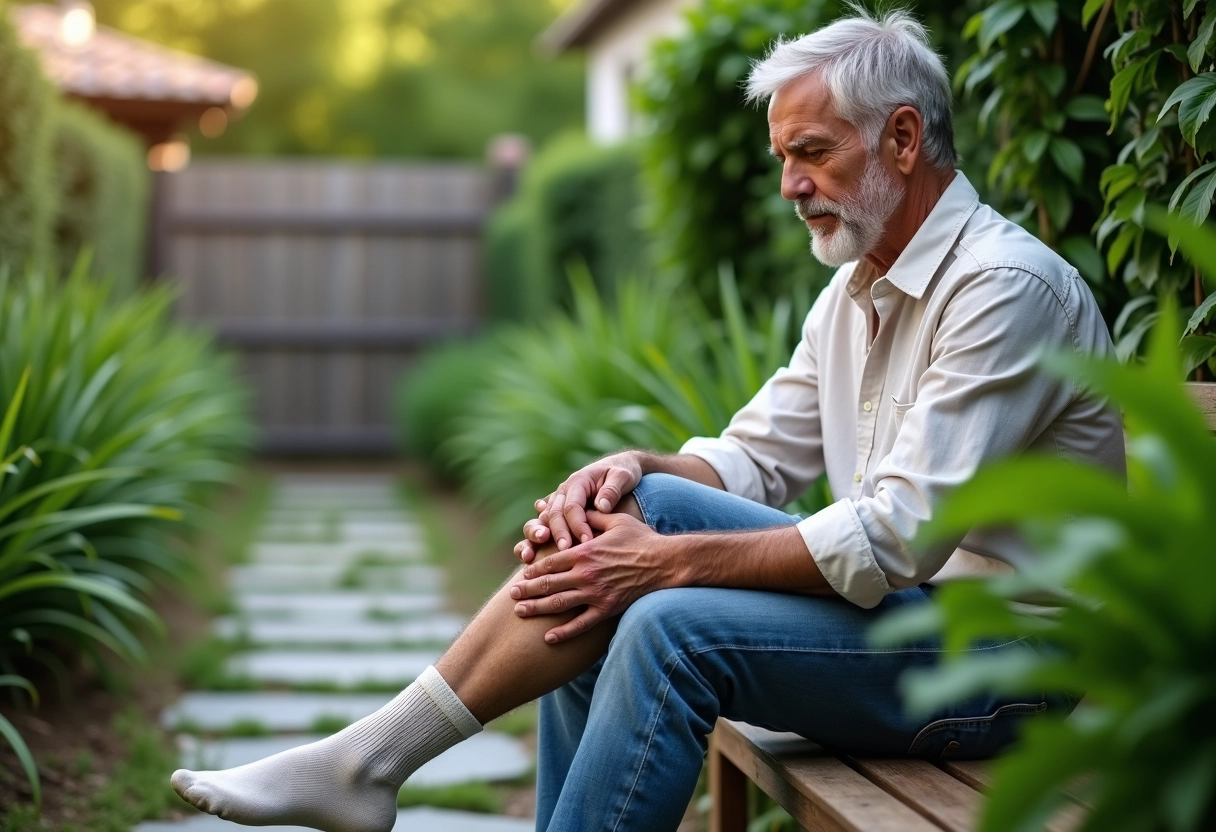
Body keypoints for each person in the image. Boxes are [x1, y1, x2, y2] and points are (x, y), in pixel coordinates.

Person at [169, 9, 1126, 832]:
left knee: (668, 622)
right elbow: (751, 460)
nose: (790, 185)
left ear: (904, 140)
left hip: (1010, 663)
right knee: (627, 524)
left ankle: (368, 760)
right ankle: (371, 761)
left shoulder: (1004, 288)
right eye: (783, 158)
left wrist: (664, 562)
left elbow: (894, 537)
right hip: (915, 628)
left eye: (812, 152)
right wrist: (631, 467)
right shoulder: (852, 296)